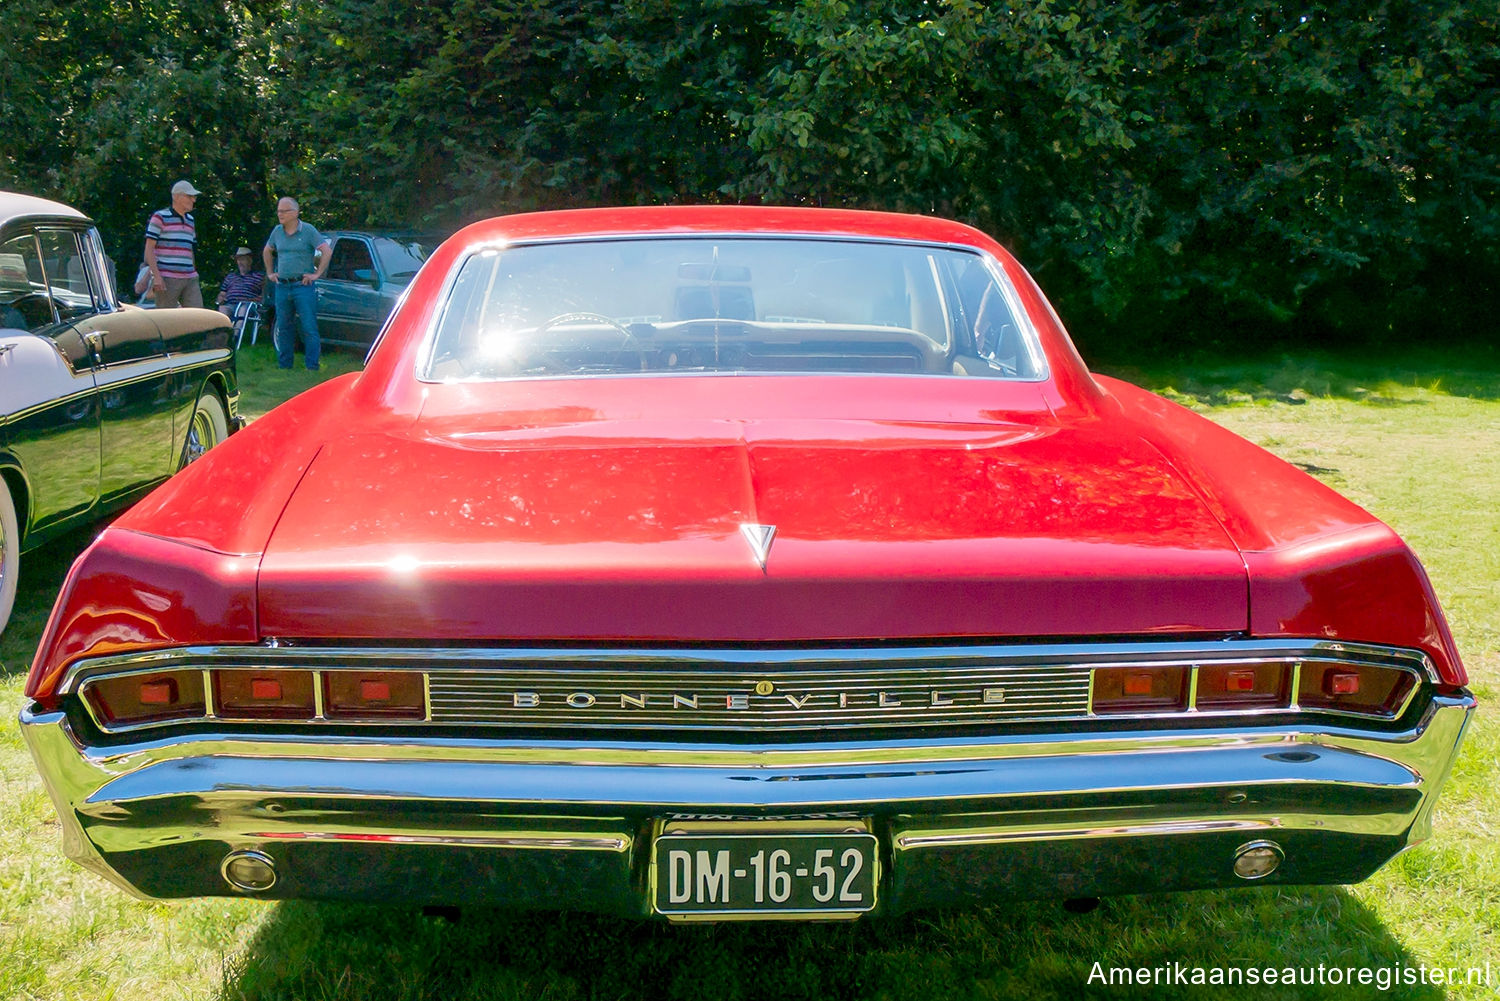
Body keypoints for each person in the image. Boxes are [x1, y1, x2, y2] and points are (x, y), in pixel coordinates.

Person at [263, 197, 331, 370]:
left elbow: (326, 250)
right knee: (284, 326)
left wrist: (317, 274)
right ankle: (285, 366)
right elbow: (267, 250)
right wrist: (270, 273)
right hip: (282, 286)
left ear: (295, 213)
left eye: (284, 211)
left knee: (309, 326)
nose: (280, 214)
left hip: (303, 286)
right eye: (278, 211)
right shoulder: (277, 231)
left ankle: (312, 366)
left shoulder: (308, 230)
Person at [143, 180, 202, 308]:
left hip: (190, 277)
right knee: (166, 319)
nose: (193, 200)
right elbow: (149, 248)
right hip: (167, 277)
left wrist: (194, 270)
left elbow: (189, 249)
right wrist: (157, 277)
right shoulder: (159, 217)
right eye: (189, 196)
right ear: (177, 197)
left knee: (197, 316)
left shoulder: (191, 220)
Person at [216, 246, 266, 318]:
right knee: (222, 311)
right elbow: (222, 293)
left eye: (242, 259)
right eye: (238, 260)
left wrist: (255, 300)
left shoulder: (259, 276)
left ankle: (237, 329)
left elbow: (263, 294)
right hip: (230, 304)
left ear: (250, 260)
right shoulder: (230, 276)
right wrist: (220, 299)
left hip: (247, 304)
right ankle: (224, 329)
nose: (240, 262)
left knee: (242, 311)